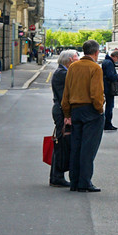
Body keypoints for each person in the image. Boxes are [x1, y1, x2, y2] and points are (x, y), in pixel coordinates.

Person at [62, 39, 105, 192]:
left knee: (76, 147)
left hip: (75, 110)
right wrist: (99, 109)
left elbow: (66, 92)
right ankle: (85, 182)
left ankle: (74, 181)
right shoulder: (95, 68)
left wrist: (67, 112)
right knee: (89, 148)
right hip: (91, 111)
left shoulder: (73, 67)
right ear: (96, 52)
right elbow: (96, 94)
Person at [49, 50, 78, 187]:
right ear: (70, 60)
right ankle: (57, 176)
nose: (78, 60)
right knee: (62, 144)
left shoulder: (61, 72)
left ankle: (57, 175)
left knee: (62, 143)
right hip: (61, 111)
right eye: (76, 57)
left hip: (60, 110)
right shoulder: (63, 73)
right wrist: (68, 115)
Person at [101, 49, 118, 131]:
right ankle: (107, 124)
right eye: (117, 58)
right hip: (109, 87)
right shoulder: (109, 63)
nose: (117, 60)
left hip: (105, 86)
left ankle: (106, 123)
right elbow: (111, 76)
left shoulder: (105, 61)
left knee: (108, 105)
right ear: (115, 56)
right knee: (110, 106)